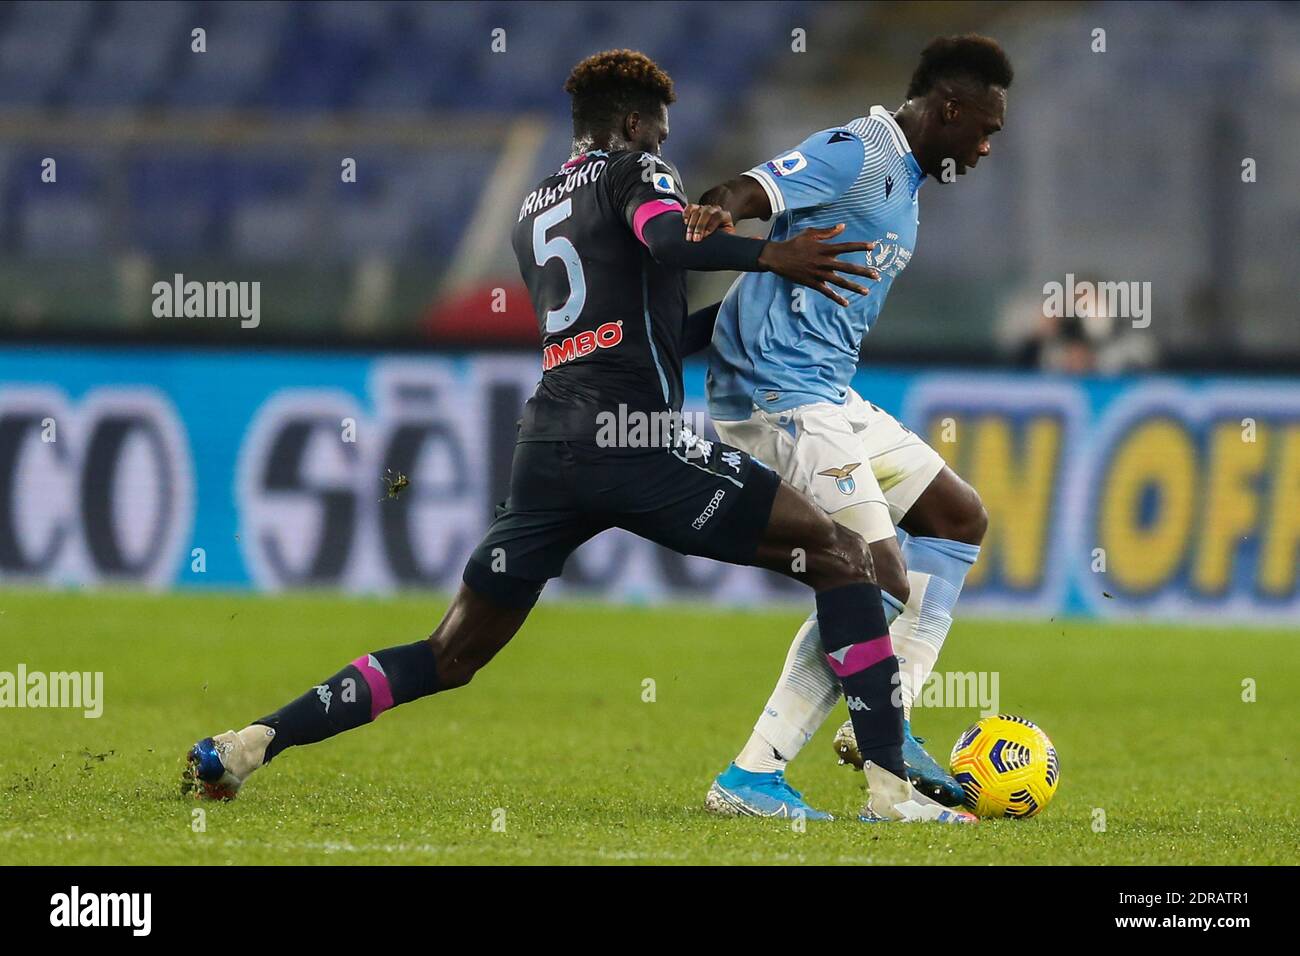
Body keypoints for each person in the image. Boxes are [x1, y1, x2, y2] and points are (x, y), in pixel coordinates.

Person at [183, 49, 974, 825]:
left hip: (550, 447)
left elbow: (633, 329)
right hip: (636, 442)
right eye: (659, 133)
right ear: (632, 122)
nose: (664, 148)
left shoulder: (534, 211)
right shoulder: (634, 172)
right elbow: (668, 239)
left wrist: (742, 319)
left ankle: (253, 741)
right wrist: (775, 257)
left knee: (450, 654)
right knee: (841, 558)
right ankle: (884, 789)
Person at [683, 35, 1011, 818]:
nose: (990, 145)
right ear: (950, 109)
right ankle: (771, 777)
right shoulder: (860, 151)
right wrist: (719, 210)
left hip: (829, 394)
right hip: (777, 398)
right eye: (987, 128)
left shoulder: (905, 181)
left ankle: (883, 731)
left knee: (956, 517)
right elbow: (752, 188)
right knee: (872, 576)